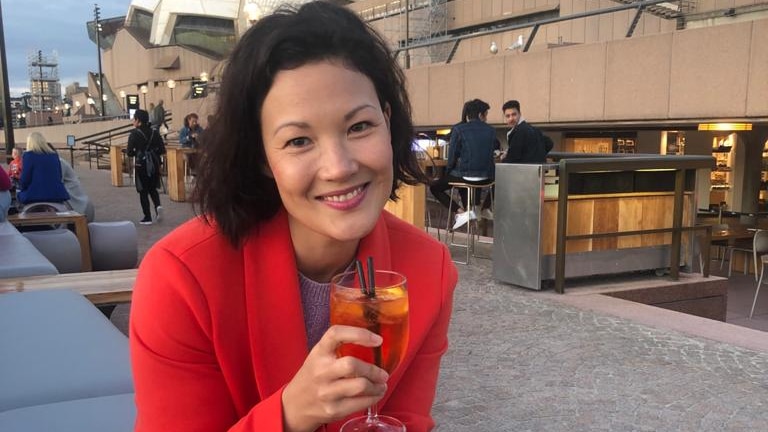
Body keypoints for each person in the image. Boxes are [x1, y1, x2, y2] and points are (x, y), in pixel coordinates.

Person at [129, 2, 458, 431]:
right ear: (263, 157)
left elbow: (407, 421)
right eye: (299, 140)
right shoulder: (182, 279)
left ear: (387, 122)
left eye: (359, 127)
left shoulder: (428, 271)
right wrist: (289, 414)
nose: (338, 166)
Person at [429, 98, 496, 229]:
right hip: (487, 179)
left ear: (467, 115)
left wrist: (448, 172)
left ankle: (461, 212)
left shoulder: (459, 129)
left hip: (466, 177)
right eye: (486, 115)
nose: (486, 119)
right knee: (462, 178)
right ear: (480, 115)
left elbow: (452, 156)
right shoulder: (491, 131)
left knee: (435, 187)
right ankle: (477, 209)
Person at [126, 109, 164, 225]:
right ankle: (158, 207)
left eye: (134, 119)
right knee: (153, 189)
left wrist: (137, 152)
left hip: (141, 164)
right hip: (154, 163)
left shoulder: (134, 134)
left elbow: (129, 152)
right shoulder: (155, 132)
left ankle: (147, 217)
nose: (133, 121)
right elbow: (162, 150)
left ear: (138, 120)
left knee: (143, 190)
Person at [16, 132, 69, 206]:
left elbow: (25, 179)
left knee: (16, 196)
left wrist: (21, 187)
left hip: (34, 196)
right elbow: (59, 176)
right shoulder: (54, 155)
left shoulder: (28, 156)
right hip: (56, 194)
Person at [501, 99, 548, 163]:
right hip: (537, 170)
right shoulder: (534, 129)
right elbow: (549, 143)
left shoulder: (518, 131)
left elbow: (513, 158)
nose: (511, 118)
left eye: (514, 114)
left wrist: (503, 159)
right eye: (508, 116)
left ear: (520, 114)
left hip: (524, 171)